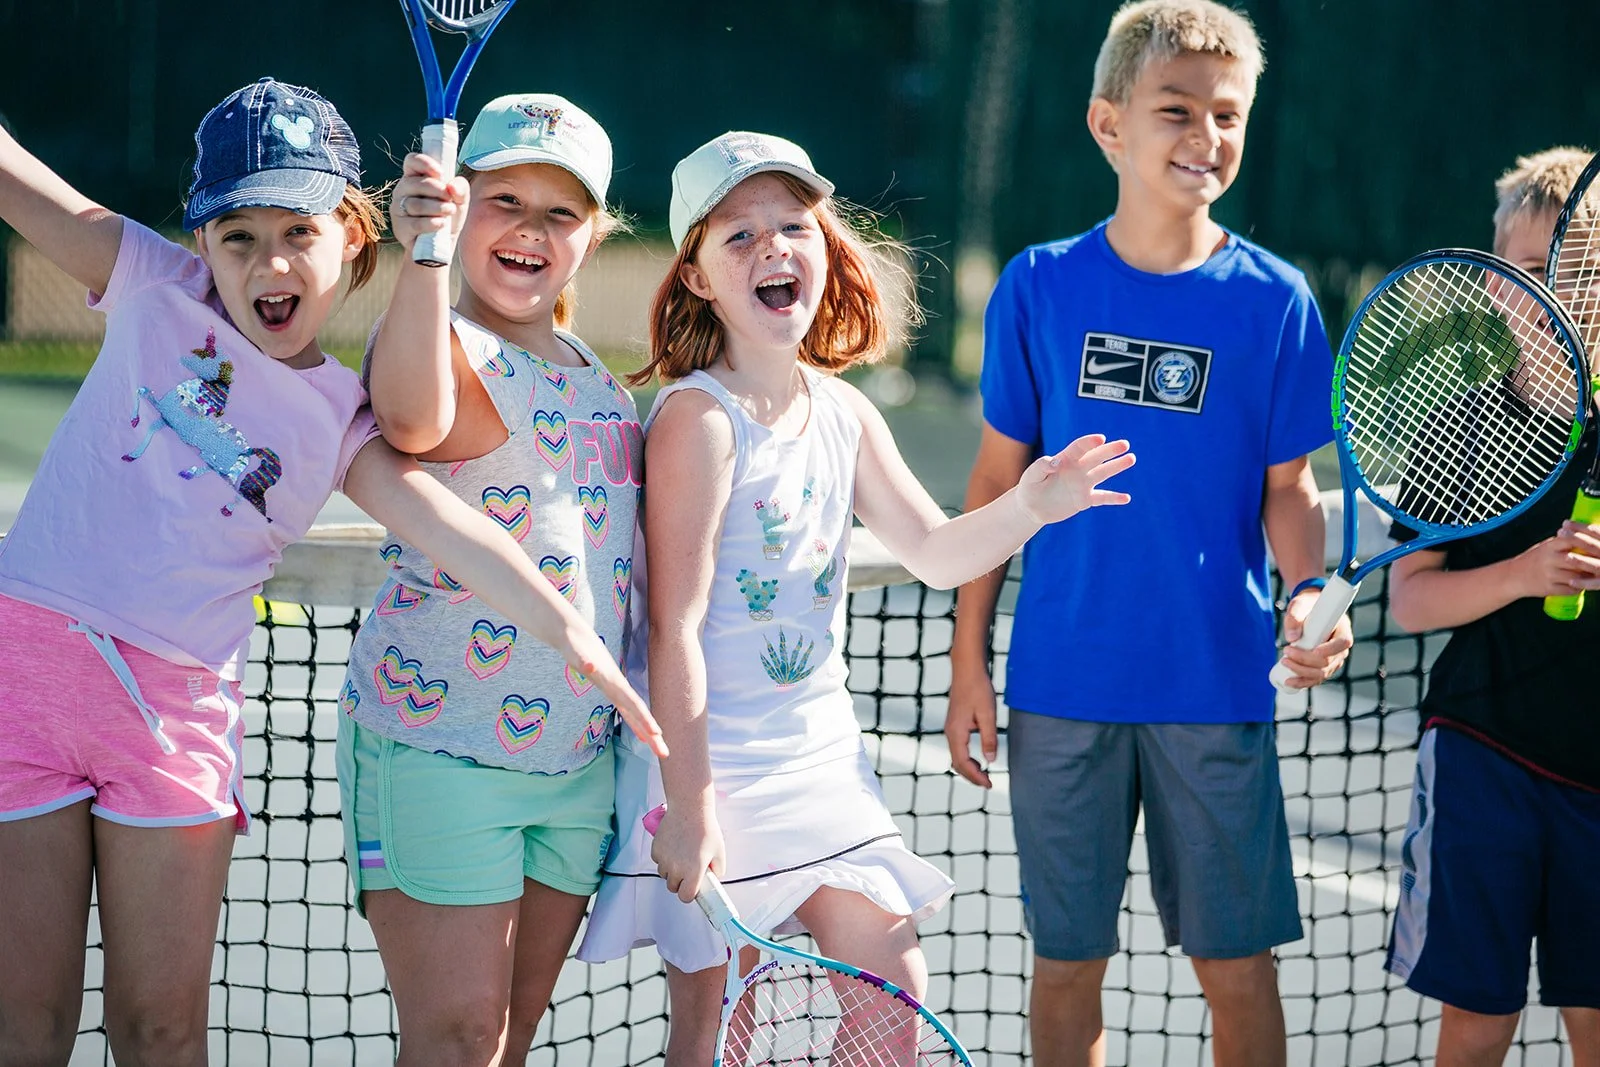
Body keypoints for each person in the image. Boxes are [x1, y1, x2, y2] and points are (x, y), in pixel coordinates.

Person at [0, 78, 655, 1067]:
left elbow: (455, 529)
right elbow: (19, 179)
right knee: (23, 1025)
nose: (270, 261)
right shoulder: (147, 280)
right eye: (236, 236)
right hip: (26, 677)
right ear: (200, 243)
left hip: (175, 714)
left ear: (354, 237)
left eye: (299, 232)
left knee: (163, 1029)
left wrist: (572, 634)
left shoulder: (345, 419)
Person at [574, 129, 1136, 1066]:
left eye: (793, 226)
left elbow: (938, 552)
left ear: (827, 250)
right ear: (700, 276)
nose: (772, 249)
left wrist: (1031, 505)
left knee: (892, 998)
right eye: (739, 236)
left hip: (823, 764)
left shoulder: (842, 410)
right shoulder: (698, 422)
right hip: (714, 770)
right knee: (714, 1029)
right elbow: (671, 630)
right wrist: (691, 802)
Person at [943, 3, 1354, 1065]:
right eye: (1175, 110)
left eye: (1227, 115)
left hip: (1214, 690)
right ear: (1107, 124)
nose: (1204, 136)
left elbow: (1288, 491)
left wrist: (1307, 596)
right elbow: (996, 484)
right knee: (1066, 964)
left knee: (1236, 971)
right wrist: (965, 660)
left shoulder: (1276, 301)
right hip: (1059, 686)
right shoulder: (1038, 285)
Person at [339, 93, 656, 1067]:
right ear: (459, 206)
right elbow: (404, 415)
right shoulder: (443, 345)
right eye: (502, 199)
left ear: (595, 234)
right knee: (458, 1034)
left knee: (505, 1041)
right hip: (440, 742)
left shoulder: (594, 374)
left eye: (560, 213)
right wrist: (422, 253)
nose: (529, 230)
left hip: (575, 763)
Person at [1384, 145, 1600, 1067]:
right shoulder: (1460, 421)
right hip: (1482, 755)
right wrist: (1521, 574)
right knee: (1477, 1023)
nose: (1543, 290)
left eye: (1572, 269)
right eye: (1517, 269)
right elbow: (1410, 599)